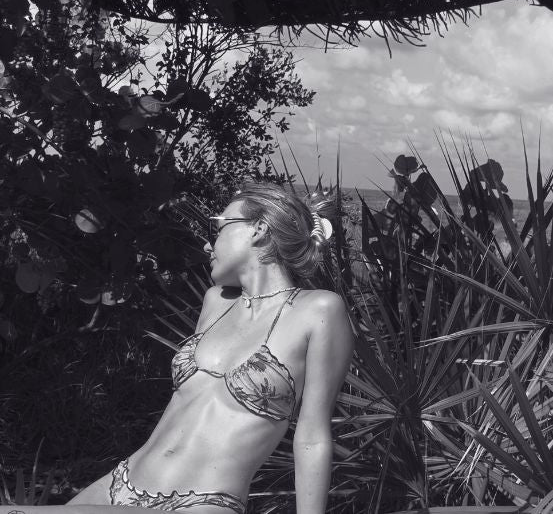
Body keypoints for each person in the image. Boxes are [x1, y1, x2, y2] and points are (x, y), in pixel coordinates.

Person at [26, 182, 354, 514]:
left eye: (220, 226)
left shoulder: (319, 310)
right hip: (120, 483)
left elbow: (311, 438)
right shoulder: (216, 302)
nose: (207, 243)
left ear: (258, 229)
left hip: (201, 502)